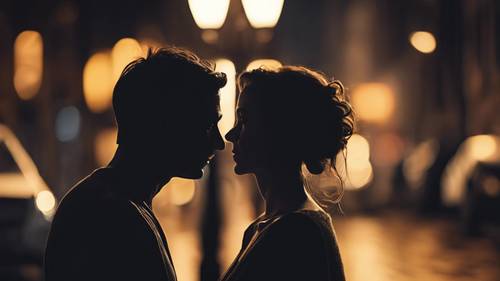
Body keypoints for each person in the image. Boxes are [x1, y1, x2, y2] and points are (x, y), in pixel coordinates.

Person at [44, 47, 227, 281]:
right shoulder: (114, 217)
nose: (218, 143)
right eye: (207, 126)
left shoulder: (114, 204)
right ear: (167, 124)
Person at [222, 66, 354, 281]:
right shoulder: (262, 227)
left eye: (244, 120)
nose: (231, 134)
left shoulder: (298, 232)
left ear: (278, 131)